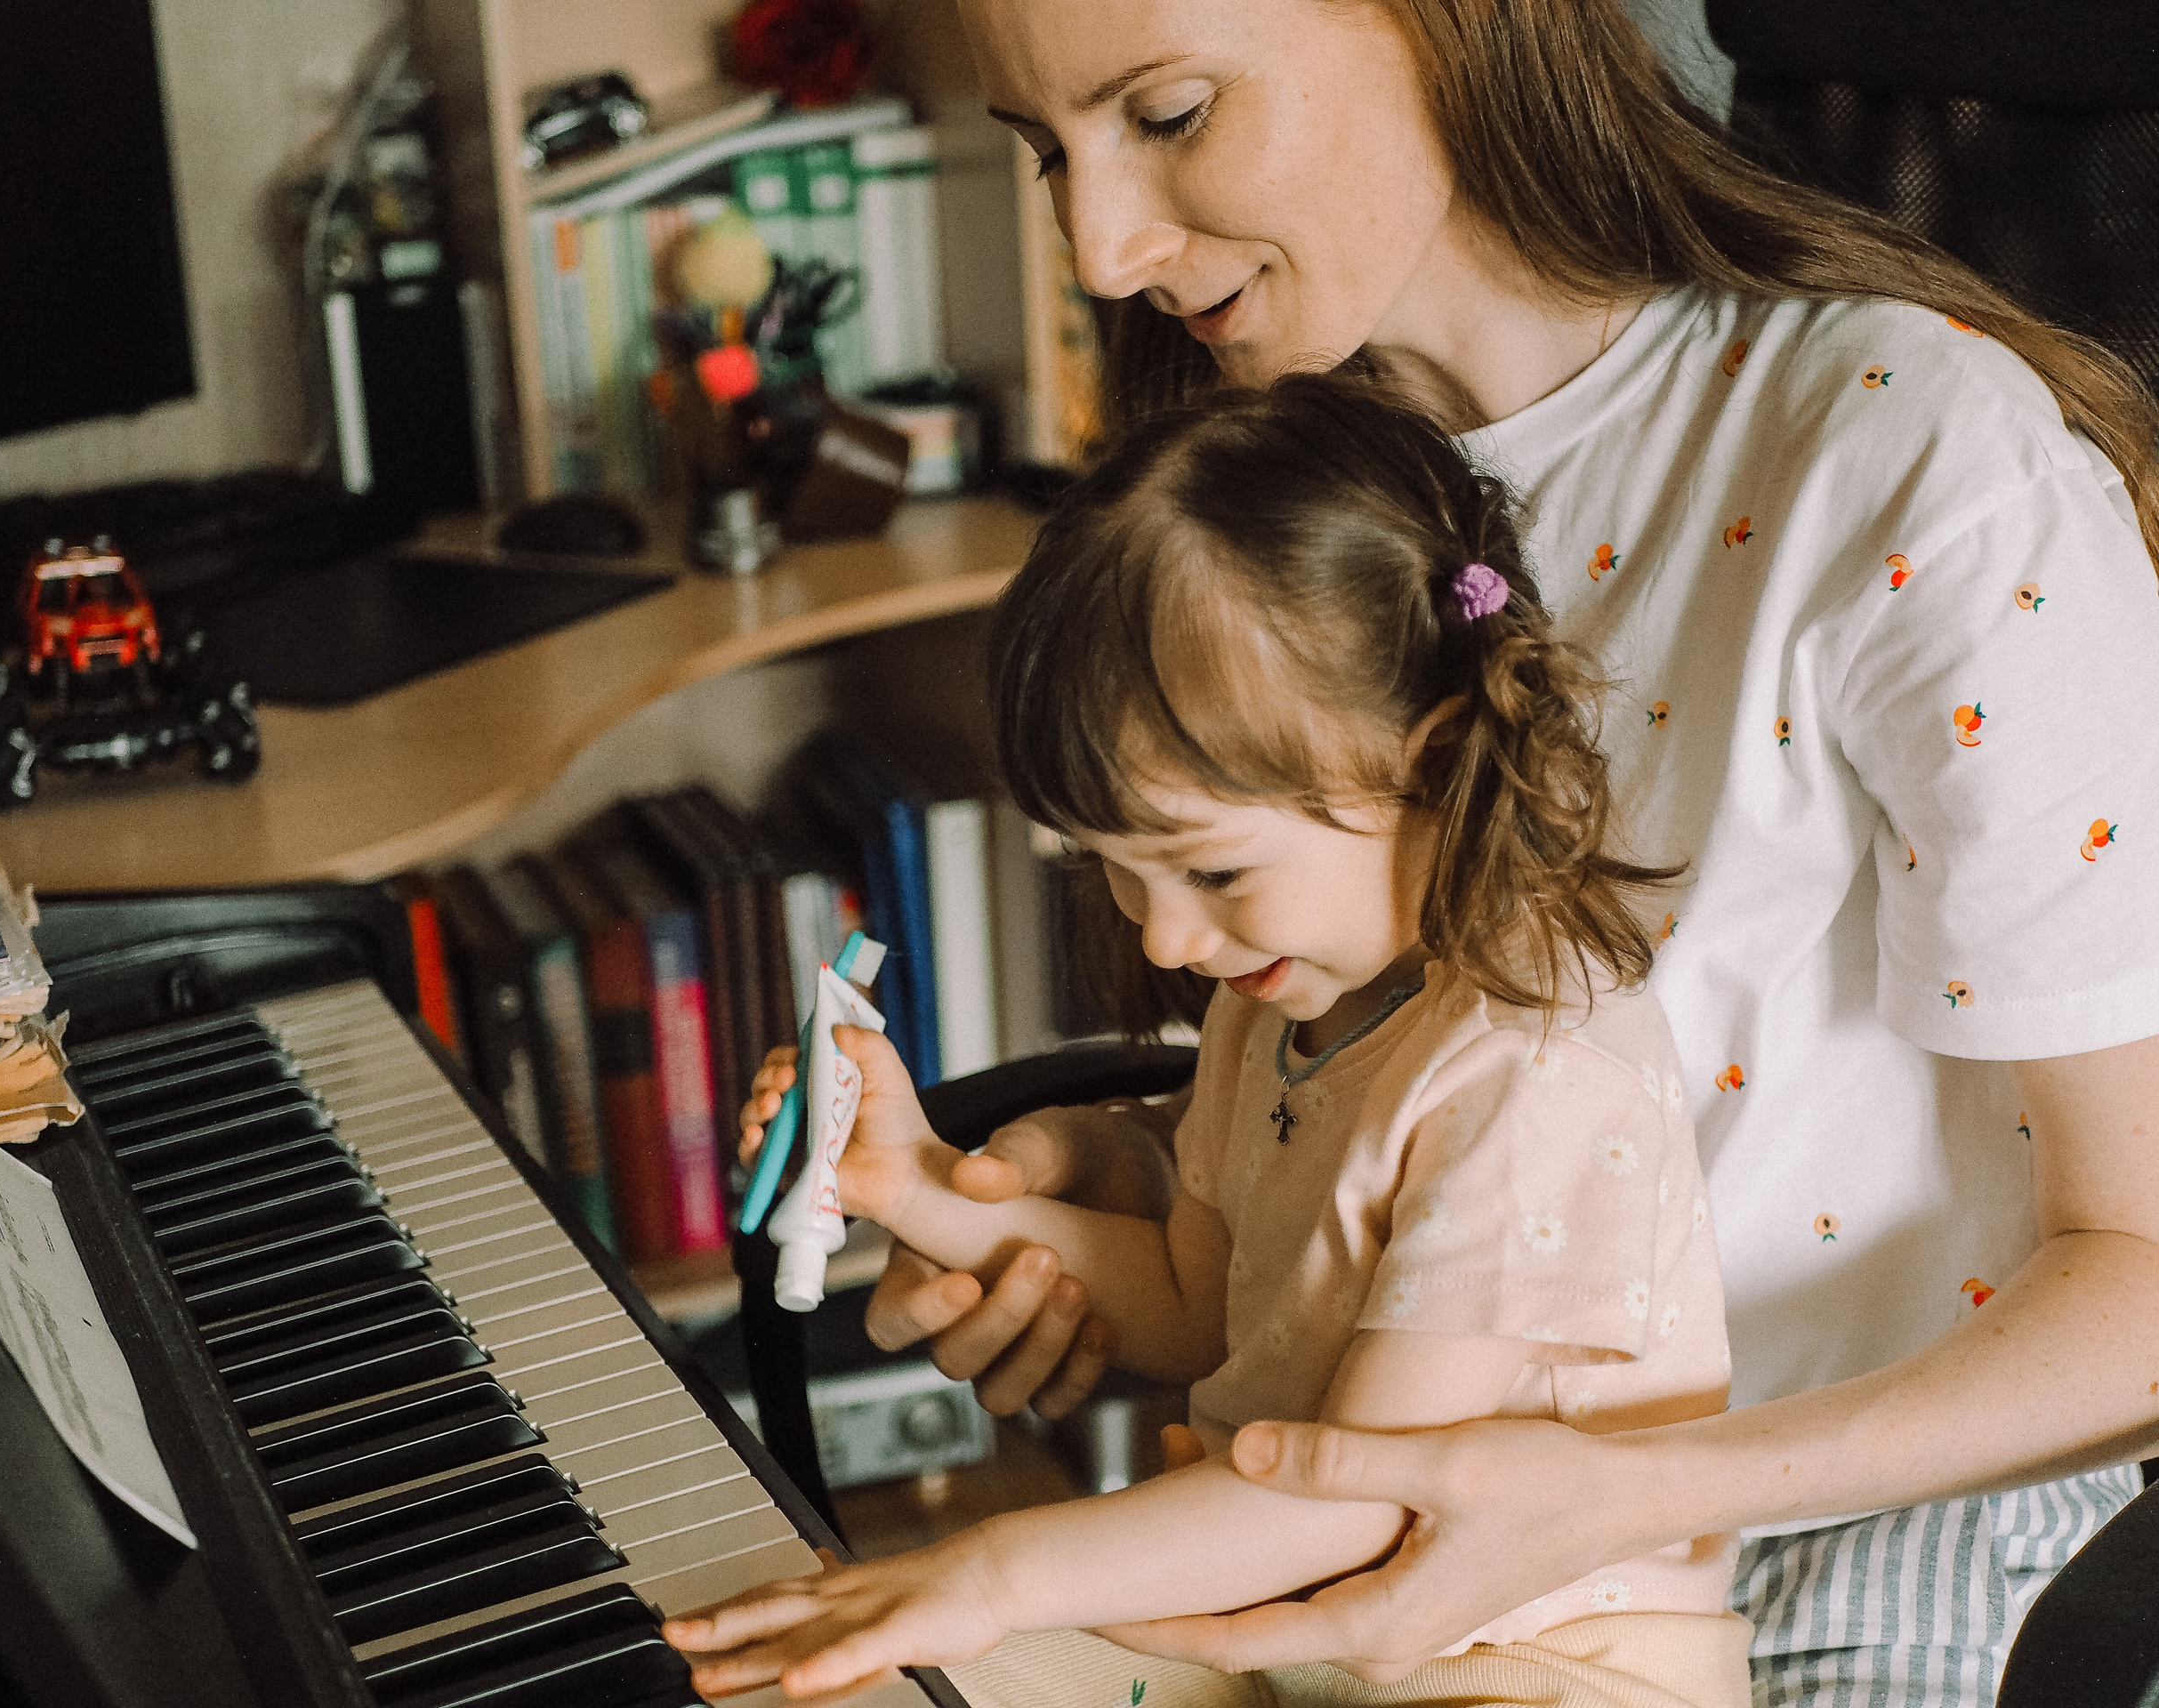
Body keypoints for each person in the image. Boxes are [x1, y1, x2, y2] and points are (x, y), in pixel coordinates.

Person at [850, 1, 2159, 1703]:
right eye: (1043, 151)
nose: (1101, 251)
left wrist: (1618, 1498)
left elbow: (2141, 1273)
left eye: (1168, 113)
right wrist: (1167, 1170)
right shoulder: (1265, 505)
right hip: (1407, 1513)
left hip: (1839, 1528)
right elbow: (1497, 1102)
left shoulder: (1907, 456)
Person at [673, 374, 1748, 1707]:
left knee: (960, 1612)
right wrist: (914, 1187)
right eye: (1121, 873)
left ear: (1436, 758)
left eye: (1213, 874)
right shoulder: (1275, 1001)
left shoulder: (1536, 1070)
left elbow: (1359, 1501)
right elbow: (1194, 1303)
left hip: (1538, 1661)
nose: (1169, 941)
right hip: (1287, 1619)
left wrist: (994, 1568)